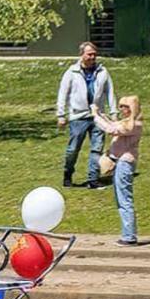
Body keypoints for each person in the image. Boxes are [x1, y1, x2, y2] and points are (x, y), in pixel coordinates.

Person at [56, 41, 116, 189]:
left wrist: (114, 113)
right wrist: (61, 115)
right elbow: (62, 94)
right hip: (78, 117)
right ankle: (68, 175)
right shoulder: (71, 72)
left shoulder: (103, 72)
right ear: (82, 55)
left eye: (94, 54)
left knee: (97, 148)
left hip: (98, 116)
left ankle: (93, 180)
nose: (92, 57)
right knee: (73, 149)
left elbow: (110, 93)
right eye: (89, 54)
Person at [92, 95, 143, 246]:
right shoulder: (128, 122)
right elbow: (113, 124)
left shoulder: (135, 124)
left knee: (124, 199)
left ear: (131, 108)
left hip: (124, 163)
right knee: (121, 198)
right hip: (120, 163)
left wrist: (95, 116)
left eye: (124, 106)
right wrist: (102, 115)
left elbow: (111, 129)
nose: (121, 109)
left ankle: (129, 236)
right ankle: (128, 234)